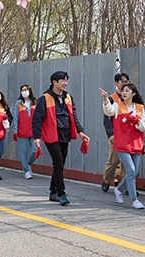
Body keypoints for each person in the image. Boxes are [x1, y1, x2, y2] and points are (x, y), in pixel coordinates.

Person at [32, 71, 91, 206]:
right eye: (62, 81)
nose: (65, 83)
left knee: (59, 164)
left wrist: (80, 132)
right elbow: (37, 120)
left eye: (66, 80)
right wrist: (37, 137)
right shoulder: (44, 98)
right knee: (58, 162)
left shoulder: (68, 97)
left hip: (65, 135)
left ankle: (53, 192)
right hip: (51, 136)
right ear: (54, 82)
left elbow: (74, 116)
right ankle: (61, 193)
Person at [103, 83, 145, 209]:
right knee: (131, 171)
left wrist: (137, 121)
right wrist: (106, 100)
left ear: (133, 93)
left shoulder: (140, 108)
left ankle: (119, 190)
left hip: (136, 143)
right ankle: (134, 200)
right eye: (123, 90)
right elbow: (108, 111)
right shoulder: (117, 105)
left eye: (127, 90)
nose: (124, 93)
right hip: (122, 143)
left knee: (134, 171)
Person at [101, 73, 129, 191]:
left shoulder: (130, 98)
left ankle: (127, 186)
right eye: (122, 81)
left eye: (126, 81)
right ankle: (106, 180)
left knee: (128, 162)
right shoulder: (112, 98)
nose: (124, 83)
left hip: (128, 135)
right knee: (114, 160)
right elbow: (106, 118)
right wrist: (110, 134)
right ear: (116, 83)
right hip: (116, 135)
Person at [14, 84, 38, 179]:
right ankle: (26, 171)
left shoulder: (35, 102)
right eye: (22, 90)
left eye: (26, 89)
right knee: (23, 153)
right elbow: (16, 118)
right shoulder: (18, 103)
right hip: (22, 132)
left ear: (30, 91)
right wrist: (15, 131)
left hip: (34, 131)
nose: (24, 91)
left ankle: (28, 164)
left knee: (35, 151)